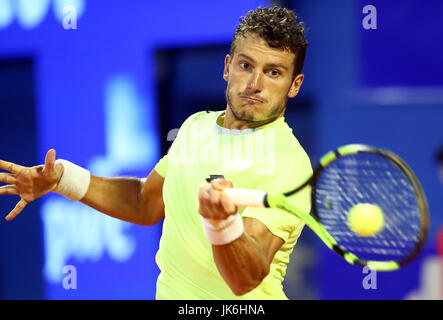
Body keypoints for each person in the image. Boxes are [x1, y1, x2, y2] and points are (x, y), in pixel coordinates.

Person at [0, 6, 312, 299]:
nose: (255, 84)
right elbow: (145, 202)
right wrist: (64, 179)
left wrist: (222, 225)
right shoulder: (196, 126)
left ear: (294, 85)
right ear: (228, 68)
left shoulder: (288, 163)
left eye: (273, 73)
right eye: (246, 66)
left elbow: (246, 278)